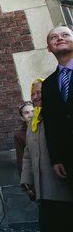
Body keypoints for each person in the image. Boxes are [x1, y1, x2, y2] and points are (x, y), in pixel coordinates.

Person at [21, 78, 73, 232]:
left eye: (39, 92)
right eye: (33, 93)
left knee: (65, 224)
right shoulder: (34, 120)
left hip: (60, 181)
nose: (35, 97)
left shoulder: (57, 114)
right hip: (42, 184)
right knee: (47, 226)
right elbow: (28, 152)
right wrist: (27, 180)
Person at [42, 26, 73, 195]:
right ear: (49, 48)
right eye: (54, 37)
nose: (59, 38)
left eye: (65, 35)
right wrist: (56, 159)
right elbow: (51, 124)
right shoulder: (48, 84)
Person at [15, 101, 34, 176]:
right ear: (22, 118)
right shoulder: (20, 136)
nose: (31, 115)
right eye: (26, 113)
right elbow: (21, 159)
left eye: (33, 111)